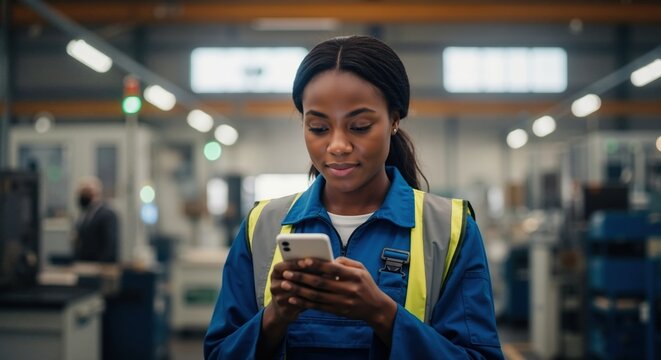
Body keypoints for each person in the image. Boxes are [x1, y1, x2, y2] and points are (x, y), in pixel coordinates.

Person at [205, 35, 503, 359]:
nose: (337, 146)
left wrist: (383, 315)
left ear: (394, 120)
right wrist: (275, 317)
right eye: (318, 128)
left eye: (359, 126)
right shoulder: (262, 226)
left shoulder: (450, 230)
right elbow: (219, 352)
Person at [72, 176, 119, 263]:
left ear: (96, 193)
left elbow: (110, 246)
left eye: (86, 192)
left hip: (99, 268)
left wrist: (101, 266)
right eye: (81, 193)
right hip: (83, 265)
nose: (83, 196)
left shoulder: (108, 215)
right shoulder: (83, 216)